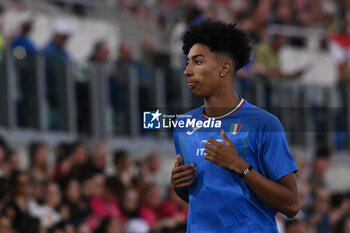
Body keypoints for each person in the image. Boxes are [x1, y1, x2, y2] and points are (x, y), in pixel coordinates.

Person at [171, 19, 299, 233]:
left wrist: (241, 167)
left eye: (198, 62)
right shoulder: (183, 125)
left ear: (224, 68)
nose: (188, 71)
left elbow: (292, 204)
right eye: (188, 62)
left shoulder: (264, 124)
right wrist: (179, 185)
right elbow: (202, 195)